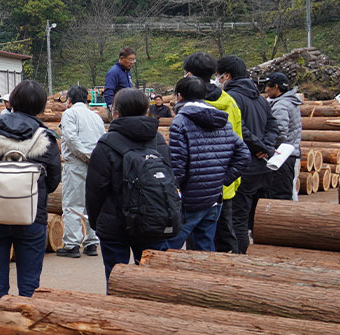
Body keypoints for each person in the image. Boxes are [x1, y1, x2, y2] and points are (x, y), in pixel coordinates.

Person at [0, 79, 61, 321]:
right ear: (41, 106)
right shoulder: (45, 137)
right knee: (29, 285)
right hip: (32, 216)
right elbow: (53, 181)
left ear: (13, 101)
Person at [86, 88, 173, 280]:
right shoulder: (157, 140)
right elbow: (169, 177)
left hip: (115, 225)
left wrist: (96, 222)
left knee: (116, 279)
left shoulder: (106, 144)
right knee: (150, 280)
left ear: (116, 112)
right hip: (152, 220)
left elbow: (95, 190)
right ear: (146, 110)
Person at [167, 77, 250, 251]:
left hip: (189, 200)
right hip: (214, 198)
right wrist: (222, 179)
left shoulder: (180, 122)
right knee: (205, 248)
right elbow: (244, 155)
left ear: (179, 96)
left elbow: (178, 168)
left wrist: (173, 193)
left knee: (168, 246)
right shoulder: (222, 120)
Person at [182, 52, 245, 254]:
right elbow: (239, 145)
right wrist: (228, 179)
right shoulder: (230, 101)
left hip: (195, 190)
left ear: (189, 74)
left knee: (197, 243)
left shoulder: (188, 107)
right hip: (223, 186)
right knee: (225, 239)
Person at [216, 56, 277, 254]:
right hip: (263, 166)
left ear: (227, 75)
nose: (218, 79)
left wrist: (260, 147)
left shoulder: (230, 98)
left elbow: (238, 128)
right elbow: (272, 125)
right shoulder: (260, 98)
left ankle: (241, 260)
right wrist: (266, 147)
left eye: (219, 75)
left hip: (243, 168)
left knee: (238, 221)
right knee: (257, 219)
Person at [56, 85, 104, 258]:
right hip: (95, 163)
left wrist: (85, 155)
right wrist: (93, 157)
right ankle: (92, 242)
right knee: (92, 203)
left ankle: (72, 244)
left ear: (69, 99)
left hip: (77, 162)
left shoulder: (69, 114)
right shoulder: (96, 116)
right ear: (87, 99)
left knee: (72, 204)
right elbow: (102, 138)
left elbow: (70, 138)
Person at [262, 72, 302, 200]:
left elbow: (279, 132)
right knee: (289, 191)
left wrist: (267, 147)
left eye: (268, 86)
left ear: (276, 87)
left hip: (282, 156)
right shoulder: (289, 102)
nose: (266, 89)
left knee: (280, 194)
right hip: (291, 153)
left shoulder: (281, 106)